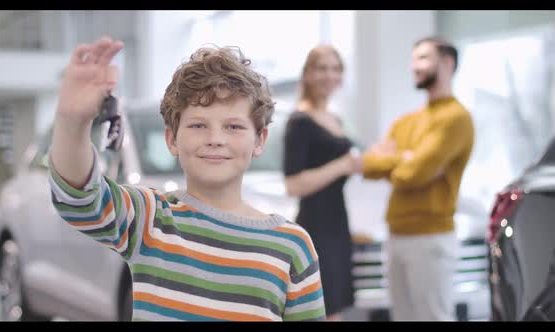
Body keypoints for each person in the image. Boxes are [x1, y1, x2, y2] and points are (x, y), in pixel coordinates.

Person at [48, 36, 326, 321]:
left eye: (233, 126)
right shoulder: (149, 219)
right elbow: (80, 199)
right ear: (172, 139)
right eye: (197, 125)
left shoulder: (292, 247)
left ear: (259, 139)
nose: (215, 139)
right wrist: (72, 121)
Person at [359, 36, 475, 321]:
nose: (414, 66)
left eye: (423, 58)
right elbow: (369, 165)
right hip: (396, 234)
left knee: (433, 316)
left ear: (447, 62)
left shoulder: (455, 118)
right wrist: (405, 158)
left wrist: (403, 162)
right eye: (413, 59)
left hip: (430, 237)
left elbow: (414, 173)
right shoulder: (406, 121)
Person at [283, 45, 361, 321]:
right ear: (307, 74)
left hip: (338, 222)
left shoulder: (335, 119)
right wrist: (342, 165)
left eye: (335, 68)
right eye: (322, 68)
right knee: (323, 309)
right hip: (316, 226)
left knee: (336, 307)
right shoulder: (299, 121)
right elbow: (293, 184)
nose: (330, 75)